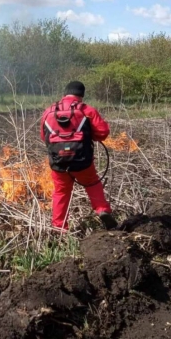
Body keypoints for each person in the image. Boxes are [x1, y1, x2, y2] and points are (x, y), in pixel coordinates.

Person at [40, 81, 117, 231]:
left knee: (61, 192)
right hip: (83, 162)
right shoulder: (87, 110)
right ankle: (102, 210)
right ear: (81, 95)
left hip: (59, 163)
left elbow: (44, 137)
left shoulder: (48, 112)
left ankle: (59, 227)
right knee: (92, 183)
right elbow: (103, 133)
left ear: (64, 94)